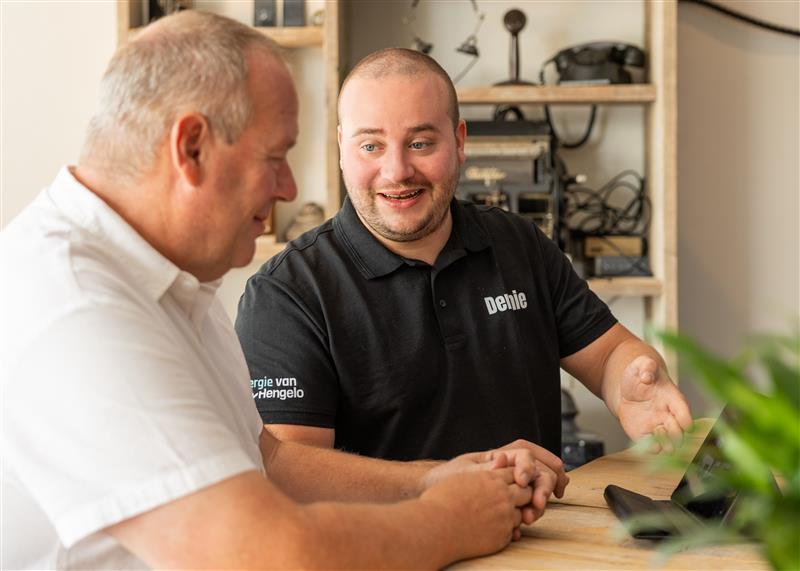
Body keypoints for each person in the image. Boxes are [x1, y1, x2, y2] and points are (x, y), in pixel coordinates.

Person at [0, 15, 558, 570]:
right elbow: (263, 554)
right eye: (275, 158)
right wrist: (451, 518)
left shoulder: (170, 279)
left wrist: (434, 478)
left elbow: (268, 459)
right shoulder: (77, 307)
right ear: (191, 148)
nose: (289, 188)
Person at [235, 48, 692, 465]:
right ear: (341, 148)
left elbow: (608, 354)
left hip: (538, 546)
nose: (396, 171)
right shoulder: (286, 294)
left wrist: (630, 377)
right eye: (370, 145)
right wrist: (456, 487)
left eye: (420, 143)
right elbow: (293, 473)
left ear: (459, 141)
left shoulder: (520, 245)